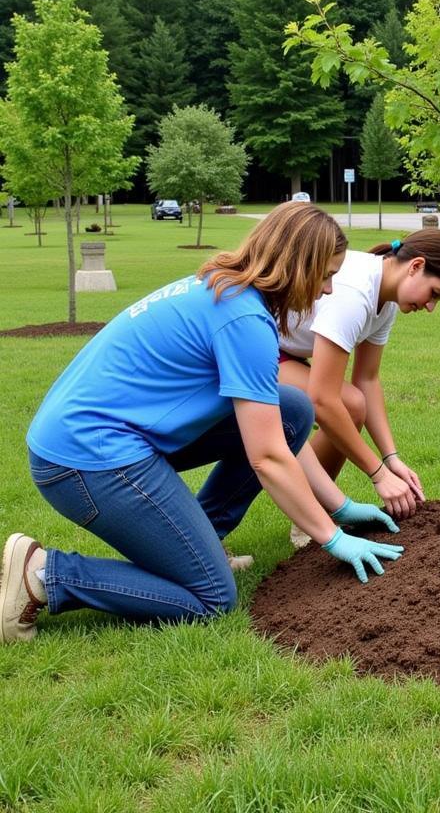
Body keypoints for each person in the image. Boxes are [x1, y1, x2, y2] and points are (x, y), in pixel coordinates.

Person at [1, 203, 403, 645]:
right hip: (85, 461)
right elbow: (268, 457)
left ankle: (198, 543)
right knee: (212, 597)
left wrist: (341, 505)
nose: (328, 290)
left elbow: (275, 432)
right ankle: (44, 574)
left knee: (292, 410)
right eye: (325, 275)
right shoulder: (244, 320)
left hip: (108, 438)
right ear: (297, 266)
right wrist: (332, 537)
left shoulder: (223, 288)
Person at [279, 229, 440, 536]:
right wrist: (378, 474)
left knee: (355, 402)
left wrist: (391, 458)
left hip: (287, 352)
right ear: (416, 266)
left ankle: (309, 509)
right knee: (348, 404)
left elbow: (367, 379)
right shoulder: (354, 293)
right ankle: (310, 515)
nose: (431, 307)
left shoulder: (387, 300)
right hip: (258, 349)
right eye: (435, 294)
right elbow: (322, 399)